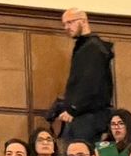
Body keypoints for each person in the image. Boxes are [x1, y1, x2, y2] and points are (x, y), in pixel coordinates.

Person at [49, 9, 116, 143]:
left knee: (79, 151)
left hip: (88, 117)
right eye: (64, 24)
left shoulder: (93, 48)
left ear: (83, 21)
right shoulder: (86, 47)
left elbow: (90, 82)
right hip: (85, 116)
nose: (66, 27)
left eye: (70, 22)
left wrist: (73, 108)